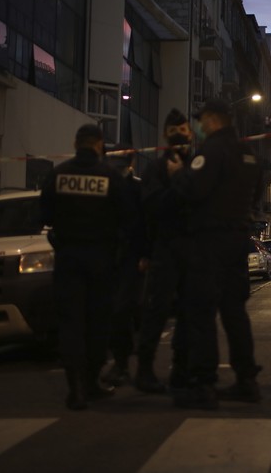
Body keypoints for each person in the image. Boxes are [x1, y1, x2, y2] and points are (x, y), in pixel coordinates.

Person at [166, 98, 263, 409]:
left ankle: (204, 383)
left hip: (210, 240)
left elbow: (192, 190)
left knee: (202, 312)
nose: (199, 126)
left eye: (202, 120)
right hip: (238, 238)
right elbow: (258, 191)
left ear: (211, 120)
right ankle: (246, 379)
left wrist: (178, 172)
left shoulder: (212, 150)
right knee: (235, 311)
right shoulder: (248, 153)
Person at [40, 123, 133, 410]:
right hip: (101, 261)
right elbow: (126, 218)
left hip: (68, 259)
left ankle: (75, 388)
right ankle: (92, 383)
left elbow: (45, 215)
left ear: (76, 143)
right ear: (99, 144)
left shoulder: (58, 175)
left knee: (70, 324)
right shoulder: (110, 177)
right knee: (96, 323)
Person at [132, 109, 194, 394]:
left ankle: (181, 369)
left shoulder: (196, 166)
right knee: (156, 312)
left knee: (188, 314)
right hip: (165, 249)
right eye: (174, 129)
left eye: (183, 128)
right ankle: (144, 370)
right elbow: (149, 211)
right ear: (165, 134)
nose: (180, 134)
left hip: (190, 252)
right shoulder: (156, 170)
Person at [101, 144, 148, 387]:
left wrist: (144, 255)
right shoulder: (103, 188)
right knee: (113, 311)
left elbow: (145, 225)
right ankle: (121, 361)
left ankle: (125, 363)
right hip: (108, 257)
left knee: (124, 309)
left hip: (130, 257)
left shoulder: (137, 189)